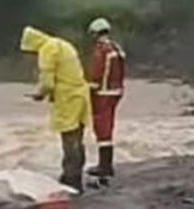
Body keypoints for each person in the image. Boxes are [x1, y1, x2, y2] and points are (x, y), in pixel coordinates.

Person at [20, 26, 93, 192]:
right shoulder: (62, 44)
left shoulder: (47, 50)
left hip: (68, 98)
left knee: (68, 139)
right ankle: (76, 175)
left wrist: (40, 94)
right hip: (81, 95)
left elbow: (47, 82)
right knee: (78, 138)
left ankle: (70, 180)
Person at [85, 17, 126, 179]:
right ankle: (106, 164)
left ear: (95, 33)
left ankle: (105, 166)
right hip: (116, 92)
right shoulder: (117, 48)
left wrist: (91, 89)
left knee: (102, 128)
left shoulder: (102, 50)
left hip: (103, 93)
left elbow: (97, 72)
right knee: (108, 126)